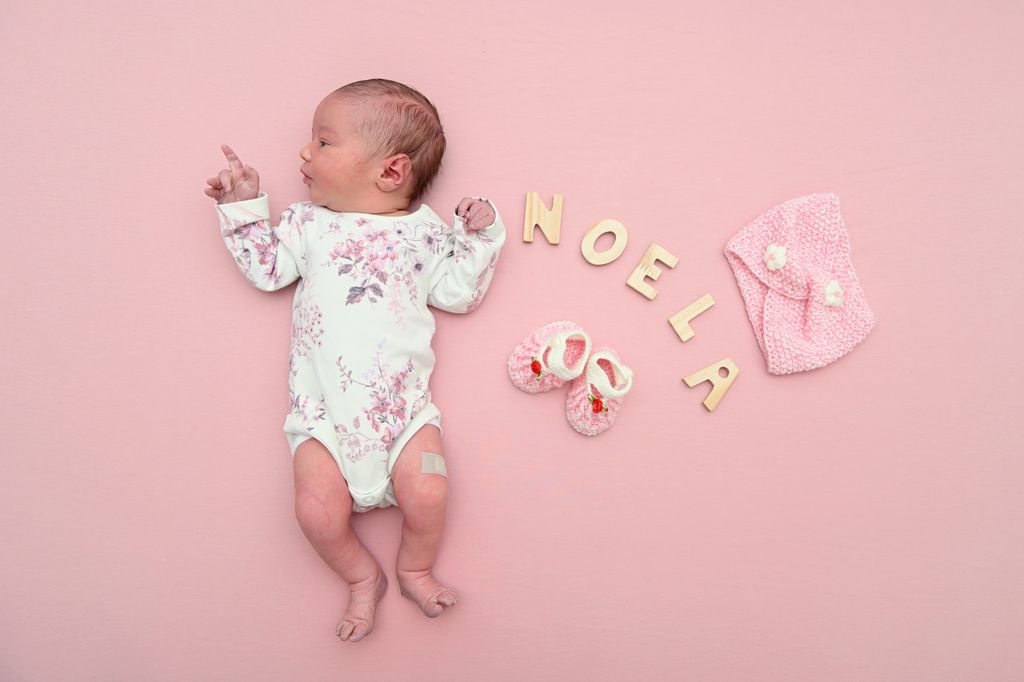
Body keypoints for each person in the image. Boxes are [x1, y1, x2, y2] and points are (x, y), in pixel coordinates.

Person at [204, 78, 505, 642]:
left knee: (430, 490)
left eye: (323, 142)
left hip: (404, 414)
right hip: (321, 418)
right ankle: (361, 576)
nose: (304, 152)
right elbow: (268, 270)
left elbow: (459, 293)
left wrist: (481, 235)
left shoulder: (425, 235)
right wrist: (242, 207)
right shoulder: (306, 224)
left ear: (391, 171)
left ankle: (414, 569)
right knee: (315, 512)